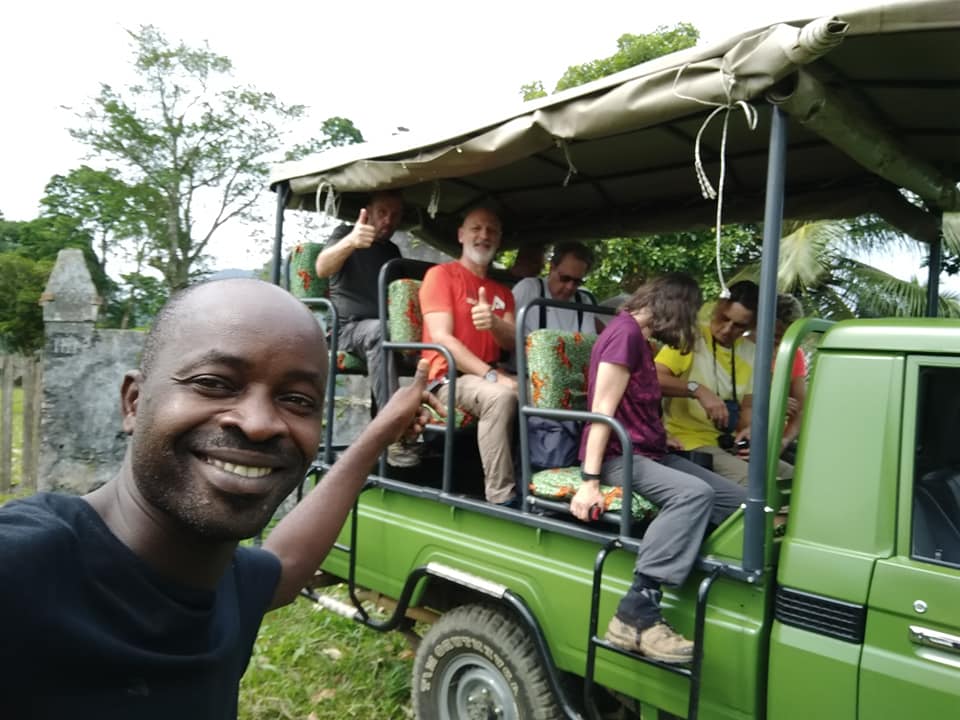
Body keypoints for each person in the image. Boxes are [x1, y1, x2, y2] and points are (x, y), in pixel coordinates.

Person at [0, 278, 439, 719]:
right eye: (213, 382)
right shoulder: (26, 566)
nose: (259, 423)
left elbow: (287, 565)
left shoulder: (224, 585)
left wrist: (381, 431)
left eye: (296, 399)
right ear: (134, 402)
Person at [570, 274, 746, 664]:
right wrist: (590, 481)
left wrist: (658, 435)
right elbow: (602, 410)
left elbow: (634, 405)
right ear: (675, 307)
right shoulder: (625, 335)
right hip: (619, 456)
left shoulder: (640, 340)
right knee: (692, 494)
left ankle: (692, 574)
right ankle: (636, 612)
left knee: (742, 503)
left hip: (648, 450)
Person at [419, 207, 519, 506]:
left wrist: (495, 323)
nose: (484, 235)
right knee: (500, 397)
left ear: (499, 239)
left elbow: (514, 341)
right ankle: (502, 496)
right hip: (447, 378)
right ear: (461, 234)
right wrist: (492, 377)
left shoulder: (503, 291)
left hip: (490, 372)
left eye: (492, 230)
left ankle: (538, 480)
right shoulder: (440, 276)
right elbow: (442, 339)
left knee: (548, 392)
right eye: (476, 228)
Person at [314, 190, 418, 467]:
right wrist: (350, 242)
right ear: (368, 211)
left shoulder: (392, 251)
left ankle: (442, 438)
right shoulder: (346, 233)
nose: (388, 220)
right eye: (383, 212)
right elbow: (322, 267)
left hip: (383, 331)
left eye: (395, 215)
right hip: (347, 329)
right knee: (381, 333)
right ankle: (393, 436)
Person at [655, 280, 792, 484]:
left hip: (728, 443)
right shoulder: (690, 337)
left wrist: (748, 431)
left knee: (794, 478)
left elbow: (748, 407)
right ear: (718, 306)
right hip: (688, 441)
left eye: (739, 326)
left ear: (752, 326)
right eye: (724, 319)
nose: (728, 329)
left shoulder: (751, 352)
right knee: (754, 482)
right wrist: (697, 389)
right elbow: (653, 379)